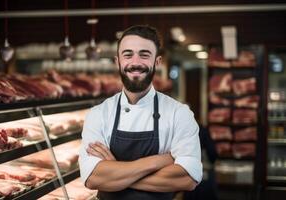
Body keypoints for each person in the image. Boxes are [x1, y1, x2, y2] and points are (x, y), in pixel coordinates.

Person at [78, 25, 203, 200]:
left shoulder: (179, 113)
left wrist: (115, 169)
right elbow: (93, 178)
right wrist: (159, 161)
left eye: (144, 55)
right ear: (118, 61)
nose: (135, 62)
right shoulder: (98, 114)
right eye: (128, 54)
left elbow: (188, 178)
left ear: (157, 62)